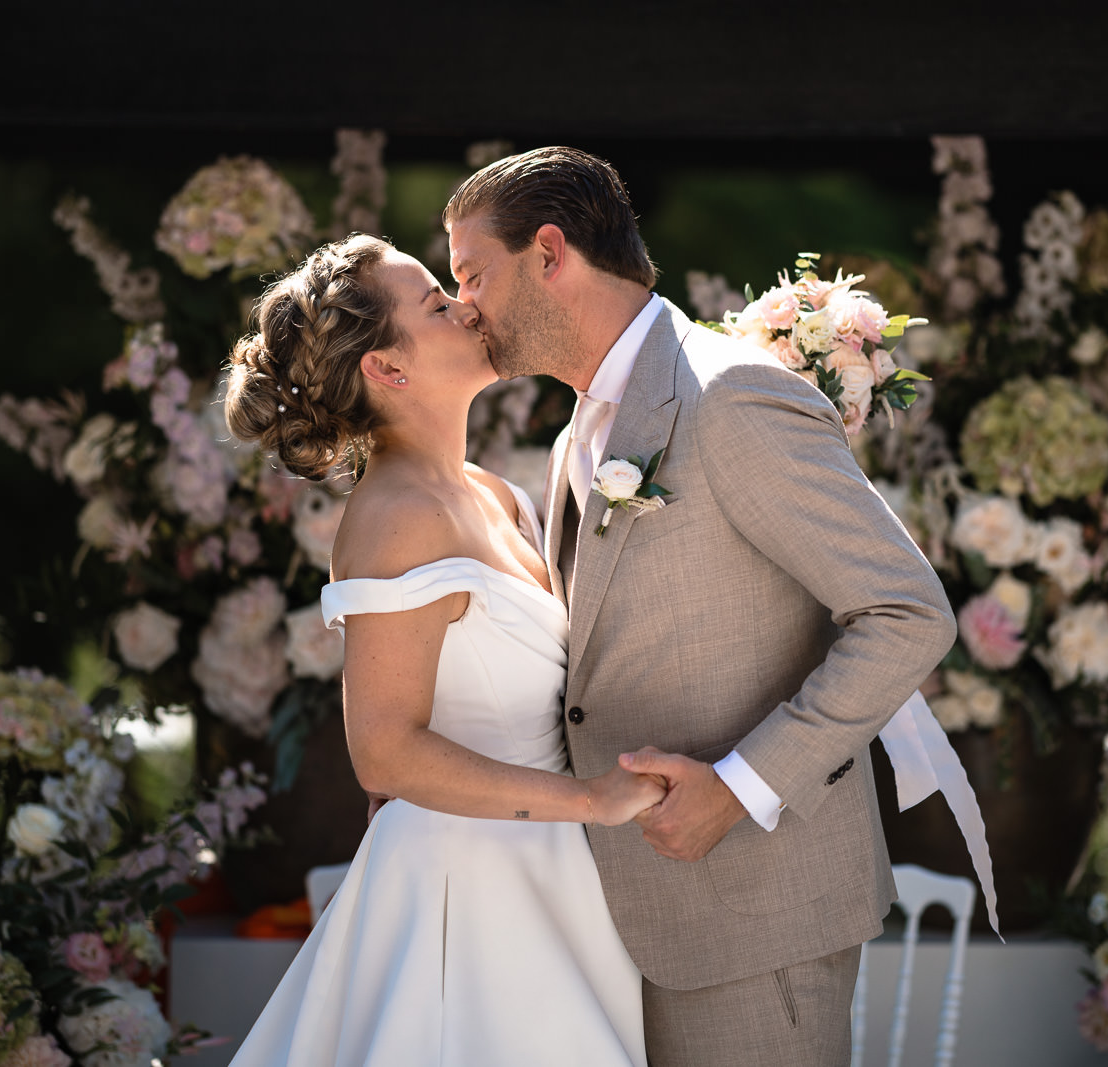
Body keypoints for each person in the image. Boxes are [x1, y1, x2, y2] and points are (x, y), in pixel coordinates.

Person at [443, 147, 959, 1066]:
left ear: (550, 252)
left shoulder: (729, 396)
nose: (466, 305)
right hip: (625, 918)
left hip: (755, 918)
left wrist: (740, 787)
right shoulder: (578, 436)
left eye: (473, 274)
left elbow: (908, 611)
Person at [221, 234, 663, 1066]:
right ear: (387, 367)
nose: (466, 305)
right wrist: (596, 801)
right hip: (466, 893)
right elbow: (384, 753)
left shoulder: (491, 493)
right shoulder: (396, 518)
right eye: (434, 303)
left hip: (551, 880)